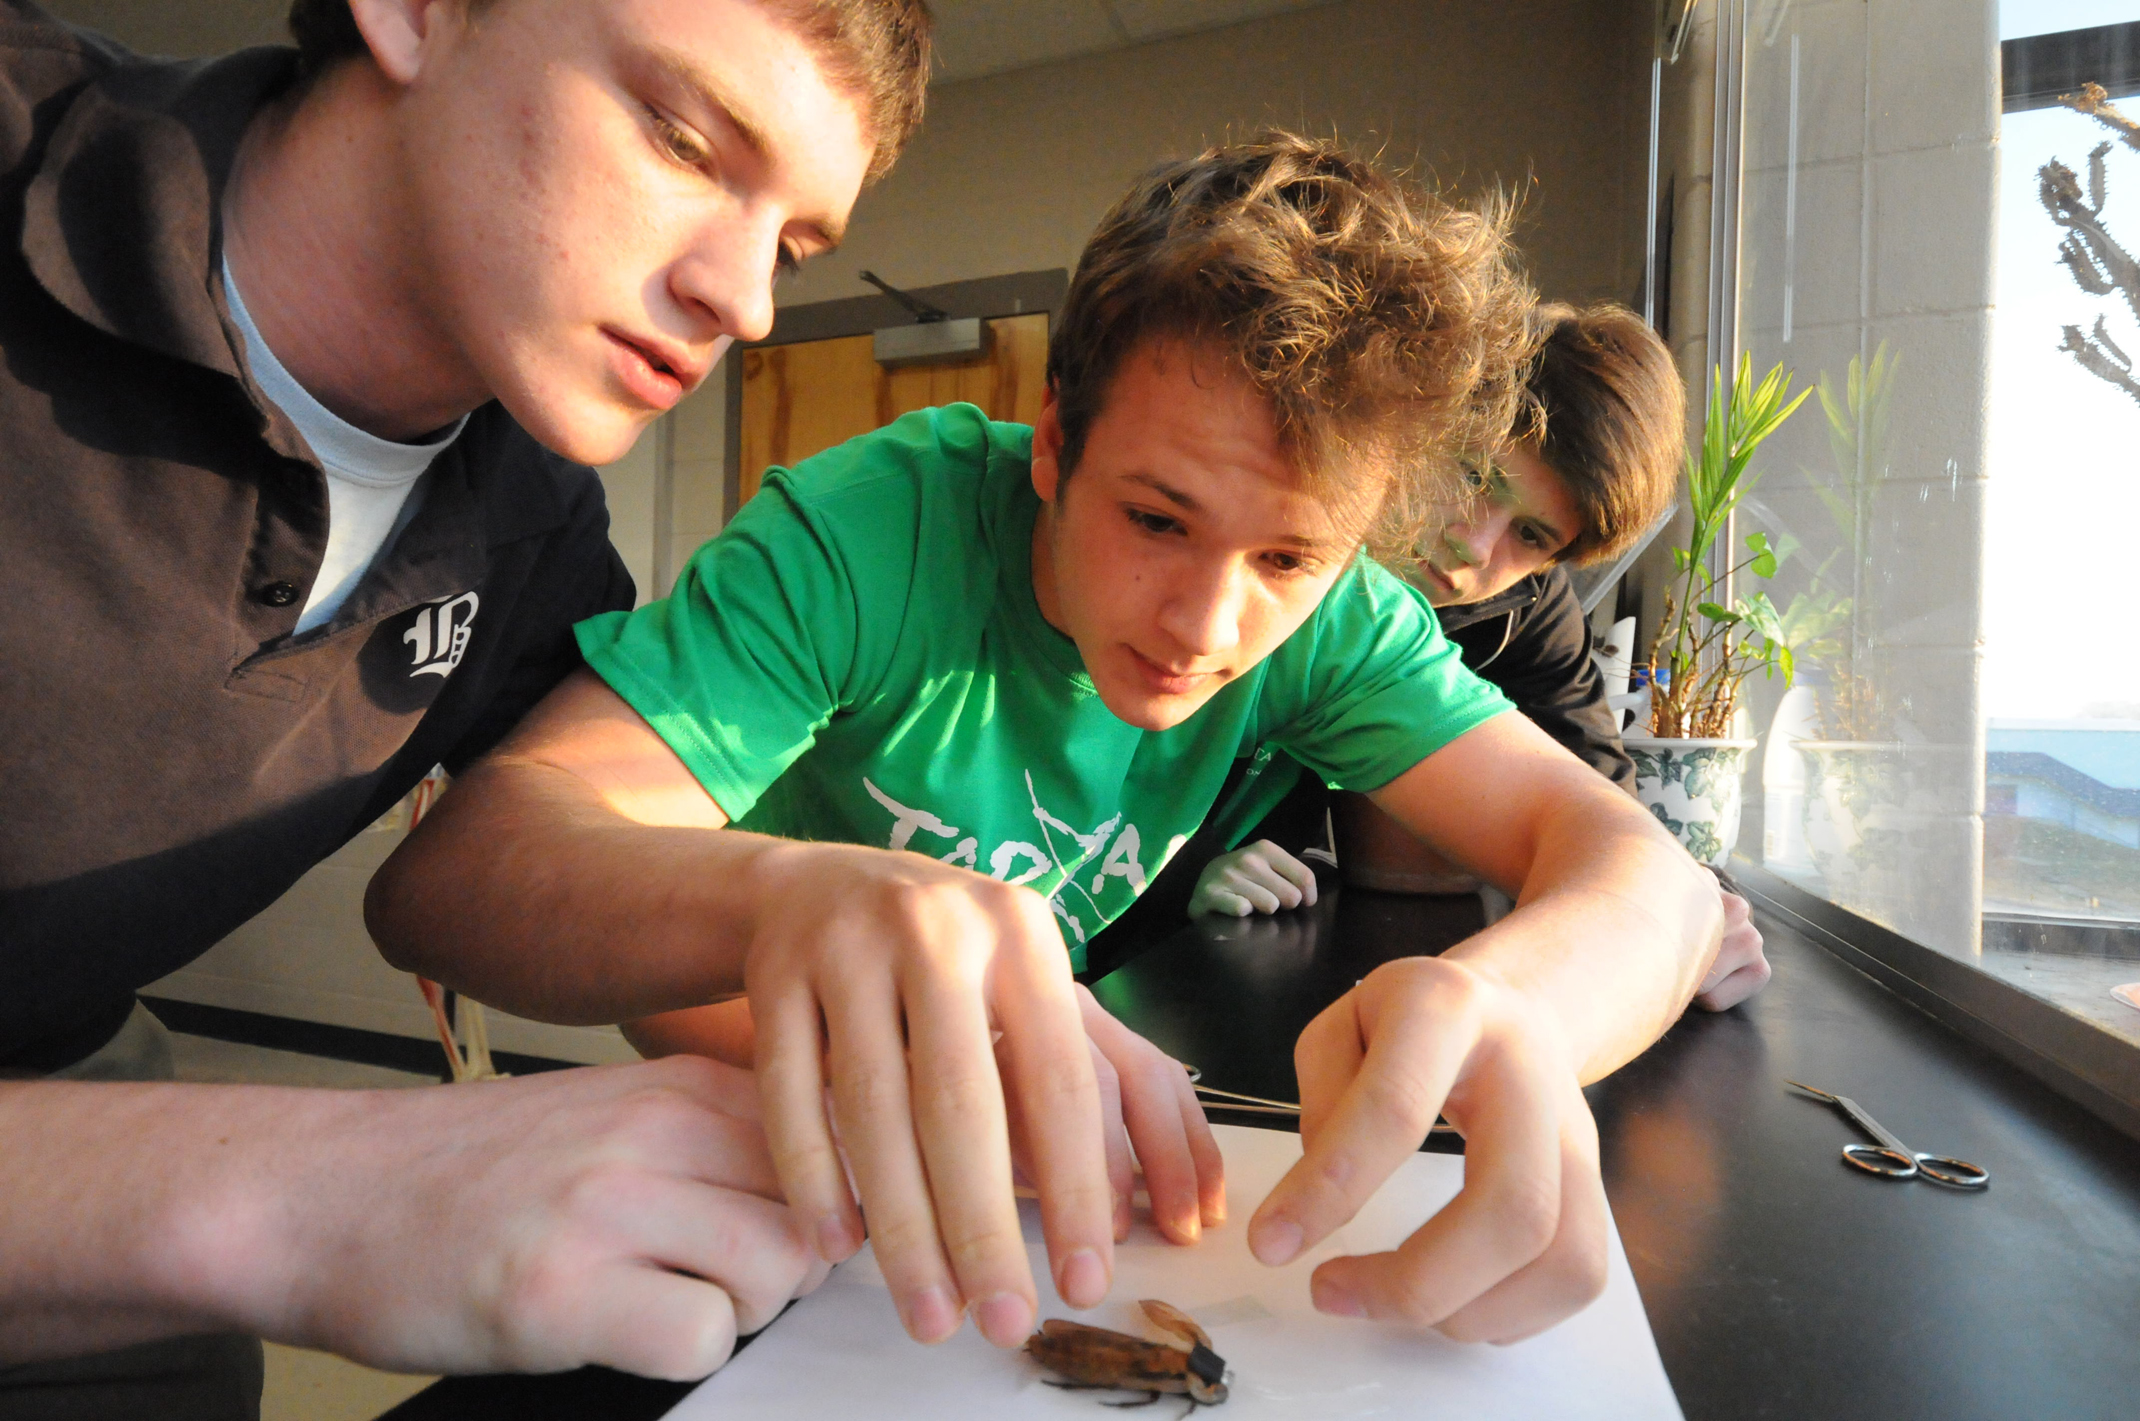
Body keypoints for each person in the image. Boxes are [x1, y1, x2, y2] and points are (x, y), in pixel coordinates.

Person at [367, 132, 1730, 1356]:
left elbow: (1643, 878)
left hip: (1028, 1197)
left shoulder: (1341, 621)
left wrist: (1515, 1010)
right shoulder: (871, 538)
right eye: (1154, 519)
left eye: (1289, 556)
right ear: (1055, 445)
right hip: (762, 1179)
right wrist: (807, 904)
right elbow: (459, 878)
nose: (1207, 620)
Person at [0, 0, 929, 1411]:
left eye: (794, 246)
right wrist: (311, 1195)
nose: (749, 301)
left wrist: (841, 945)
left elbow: (524, 857)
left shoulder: (532, 531)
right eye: (684, 138)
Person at [1186, 303, 1772, 1013]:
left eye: (1530, 534)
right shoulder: (1261, 538)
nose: (1474, 544)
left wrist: (1685, 901)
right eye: (1471, 477)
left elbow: (1594, 796)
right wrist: (1182, 872)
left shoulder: (1524, 610)